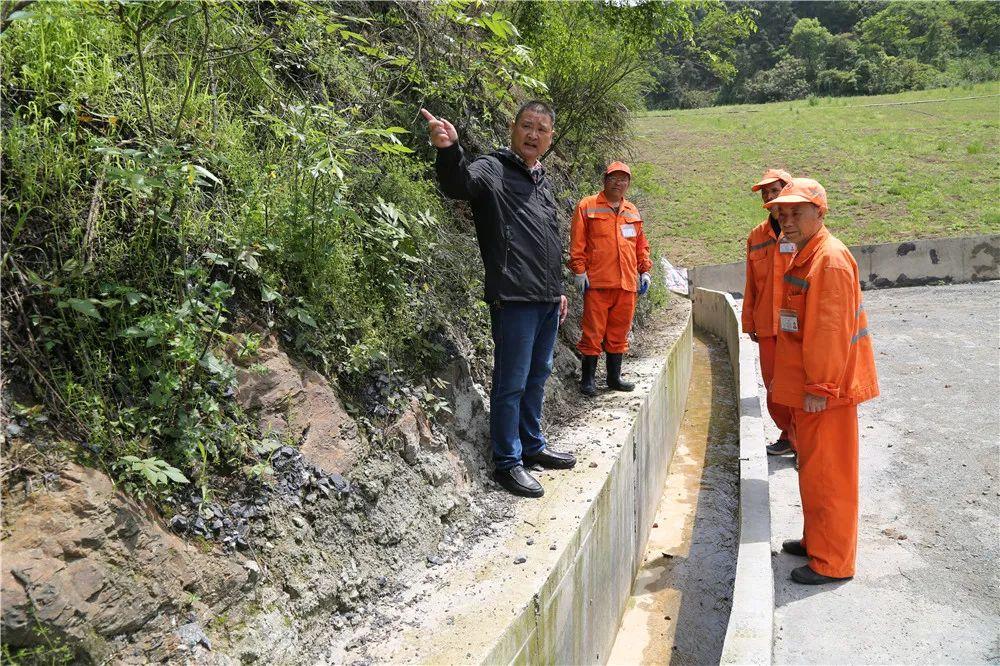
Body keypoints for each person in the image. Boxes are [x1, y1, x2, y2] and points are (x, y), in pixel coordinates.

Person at [421, 101, 576, 499]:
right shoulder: (493, 169)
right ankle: (508, 462)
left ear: (550, 137)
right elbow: (459, 184)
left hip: (544, 298)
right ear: (513, 127)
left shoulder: (542, 180)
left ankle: (532, 445)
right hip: (512, 295)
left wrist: (557, 289)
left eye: (542, 129)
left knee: (538, 376)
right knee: (511, 382)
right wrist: (449, 150)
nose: (533, 134)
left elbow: (549, 241)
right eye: (527, 125)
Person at [765, 178, 879, 585]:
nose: (787, 220)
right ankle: (818, 540)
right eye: (782, 212)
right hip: (812, 389)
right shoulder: (809, 254)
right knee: (814, 470)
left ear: (819, 212)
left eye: (796, 212)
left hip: (826, 393)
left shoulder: (827, 260)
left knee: (829, 474)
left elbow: (829, 333)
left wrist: (820, 388)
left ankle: (832, 561)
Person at [567, 162, 652, 396]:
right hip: (597, 283)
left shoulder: (632, 211)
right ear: (605, 180)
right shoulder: (587, 205)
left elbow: (641, 245)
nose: (618, 182)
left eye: (623, 179)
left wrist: (644, 270)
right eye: (614, 178)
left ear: (628, 184)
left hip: (626, 285)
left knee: (618, 333)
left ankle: (614, 378)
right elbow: (578, 242)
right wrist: (579, 270)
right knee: (593, 332)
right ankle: (588, 381)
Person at [742, 168, 796, 456]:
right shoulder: (757, 236)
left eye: (774, 191)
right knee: (773, 386)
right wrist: (748, 320)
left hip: (797, 326)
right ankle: (787, 434)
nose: (769, 197)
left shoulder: (802, 232)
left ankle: (803, 444)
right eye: (765, 193)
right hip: (766, 324)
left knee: (797, 386)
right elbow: (751, 282)